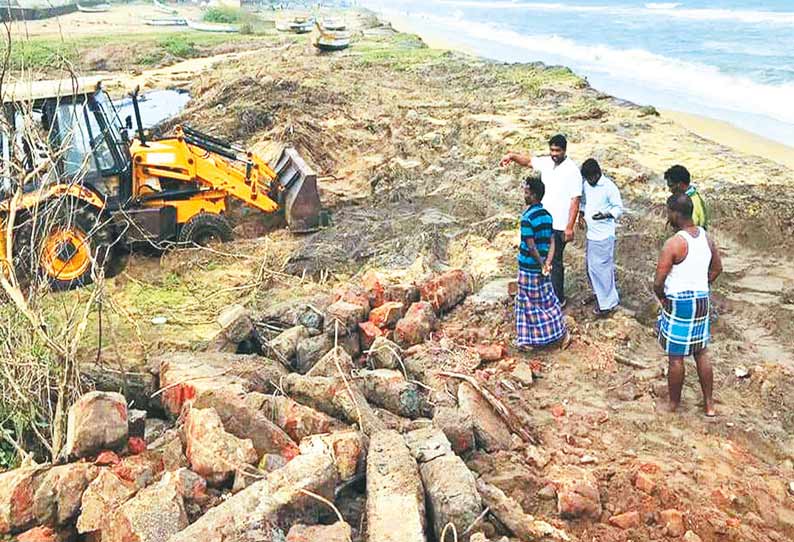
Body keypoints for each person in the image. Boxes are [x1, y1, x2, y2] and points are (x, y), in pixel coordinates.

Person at [654, 193, 722, 416]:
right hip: (701, 299)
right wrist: (703, 284)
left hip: (679, 302)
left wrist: (663, 298)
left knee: (676, 357)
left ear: (675, 213)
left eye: (668, 212)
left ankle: (673, 404)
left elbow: (658, 281)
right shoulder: (706, 238)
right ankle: (710, 404)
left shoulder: (674, 243)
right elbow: (717, 268)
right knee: (701, 352)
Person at [500, 134, 582, 307]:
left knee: (555, 261)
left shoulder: (572, 170)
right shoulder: (546, 162)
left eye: (557, 151)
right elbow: (528, 161)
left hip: (559, 224)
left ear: (565, 150)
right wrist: (512, 156)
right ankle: (542, 295)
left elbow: (575, 200)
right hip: (542, 220)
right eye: (551, 150)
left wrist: (569, 227)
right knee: (539, 257)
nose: (554, 153)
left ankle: (558, 299)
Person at [514, 177, 569, 350]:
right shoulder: (547, 216)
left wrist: (540, 263)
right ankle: (557, 332)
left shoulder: (527, 218)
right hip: (544, 267)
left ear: (535, 195)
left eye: (527, 192)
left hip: (529, 267)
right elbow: (552, 241)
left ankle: (526, 340)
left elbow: (530, 245)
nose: (525, 195)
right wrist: (548, 263)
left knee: (525, 302)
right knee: (547, 300)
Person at [580, 159, 623, 316]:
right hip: (592, 235)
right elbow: (585, 203)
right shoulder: (586, 185)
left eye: (591, 178)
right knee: (591, 268)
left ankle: (608, 304)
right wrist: (581, 214)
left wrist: (605, 214)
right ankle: (598, 294)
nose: (589, 182)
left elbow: (618, 208)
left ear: (597, 174)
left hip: (604, 235)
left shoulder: (609, 187)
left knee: (603, 269)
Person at [665, 165, 709, 229]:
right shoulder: (695, 196)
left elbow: (691, 229)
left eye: (671, 186)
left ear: (679, 184)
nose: (670, 190)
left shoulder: (691, 203)